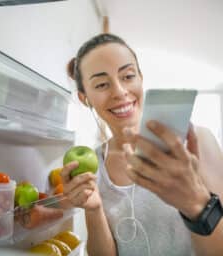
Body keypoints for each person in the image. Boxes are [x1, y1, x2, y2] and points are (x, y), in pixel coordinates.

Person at [61, 33, 223, 256]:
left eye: (128, 76)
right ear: (84, 98)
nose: (119, 91)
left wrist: (195, 204)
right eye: (101, 84)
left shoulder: (196, 144)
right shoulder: (95, 164)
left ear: (141, 78)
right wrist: (94, 210)